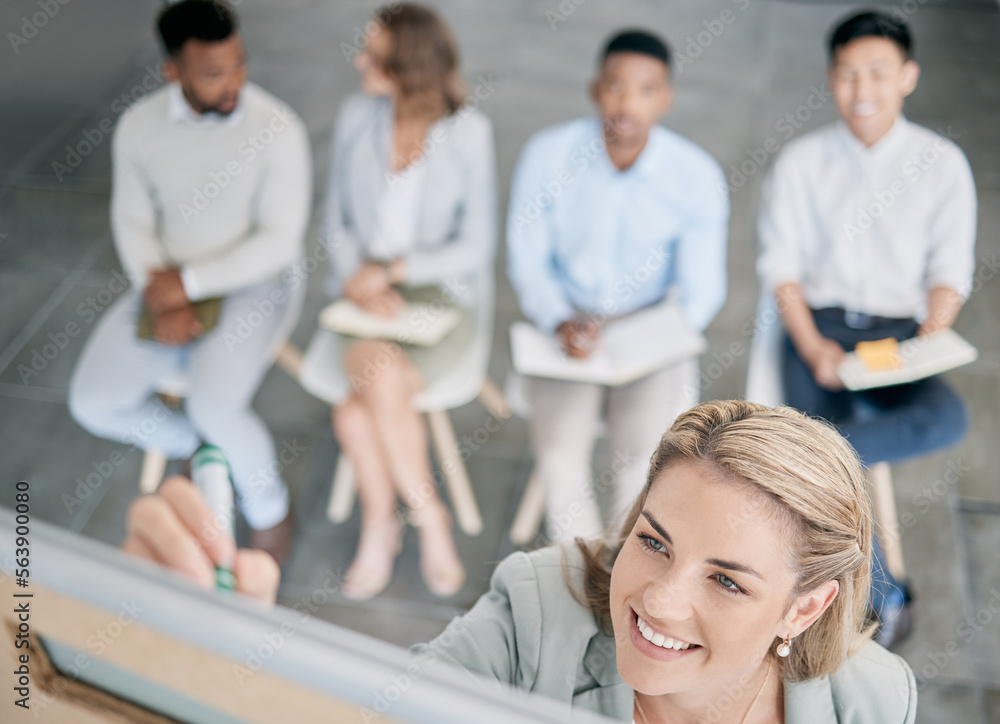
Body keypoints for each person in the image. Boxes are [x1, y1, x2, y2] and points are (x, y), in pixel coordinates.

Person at [122, 401, 917, 723]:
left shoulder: (877, 700)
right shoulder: (536, 611)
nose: (658, 602)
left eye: (727, 579)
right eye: (653, 540)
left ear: (805, 607)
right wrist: (215, 664)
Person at [756, 11, 976, 645]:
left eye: (878, 73)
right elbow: (781, 268)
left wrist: (928, 338)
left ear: (908, 76)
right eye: (848, 74)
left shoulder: (942, 163)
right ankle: (883, 596)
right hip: (818, 331)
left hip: (901, 337)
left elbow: (949, 271)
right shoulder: (801, 161)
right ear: (831, 78)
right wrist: (812, 346)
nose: (863, 90)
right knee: (825, 428)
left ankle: (820, 466)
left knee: (946, 418)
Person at [68, 0, 311, 564]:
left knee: (216, 405)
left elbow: (278, 242)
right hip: (163, 281)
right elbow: (131, 220)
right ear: (171, 71)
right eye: (213, 73)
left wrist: (192, 283)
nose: (234, 83)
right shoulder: (138, 128)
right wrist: (160, 290)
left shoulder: (278, 130)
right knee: (92, 402)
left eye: (239, 64)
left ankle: (270, 512)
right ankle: (192, 447)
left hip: (254, 285)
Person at [506, 29, 728, 544]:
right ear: (594, 89)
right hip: (567, 322)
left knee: (643, 464)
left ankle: (624, 577)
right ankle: (584, 581)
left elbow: (702, 290)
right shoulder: (548, 155)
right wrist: (558, 317)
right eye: (615, 87)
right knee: (560, 457)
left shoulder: (695, 174)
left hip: (650, 326)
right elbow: (527, 259)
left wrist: (650, 339)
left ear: (666, 97)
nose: (627, 103)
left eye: (645, 90)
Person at [322, 4, 497, 599]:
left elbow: (475, 245)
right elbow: (337, 221)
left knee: (353, 412)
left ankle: (384, 524)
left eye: (372, 55)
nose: (359, 62)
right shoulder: (356, 116)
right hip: (363, 295)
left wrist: (395, 270)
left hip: (440, 297)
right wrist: (360, 281)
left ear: (408, 67)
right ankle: (429, 520)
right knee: (379, 372)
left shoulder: (469, 133)